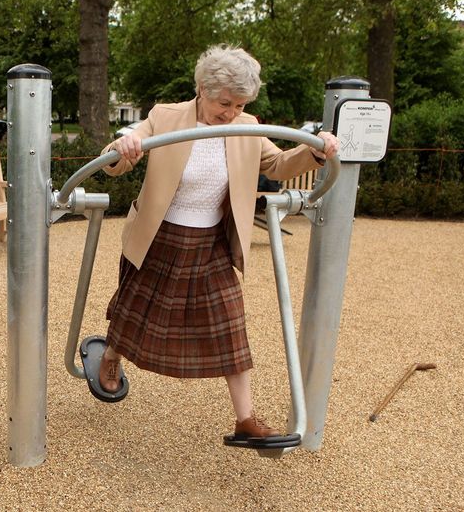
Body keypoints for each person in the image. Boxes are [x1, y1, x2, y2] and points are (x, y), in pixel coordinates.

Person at [97, 44, 338, 440]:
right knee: (133, 315)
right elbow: (119, 160)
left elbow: (277, 165)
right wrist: (120, 149)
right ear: (202, 89)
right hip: (158, 237)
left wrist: (313, 152)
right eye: (224, 103)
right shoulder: (166, 116)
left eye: (239, 106)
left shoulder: (247, 128)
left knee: (230, 324)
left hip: (211, 243)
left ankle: (245, 420)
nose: (231, 113)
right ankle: (109, 358)